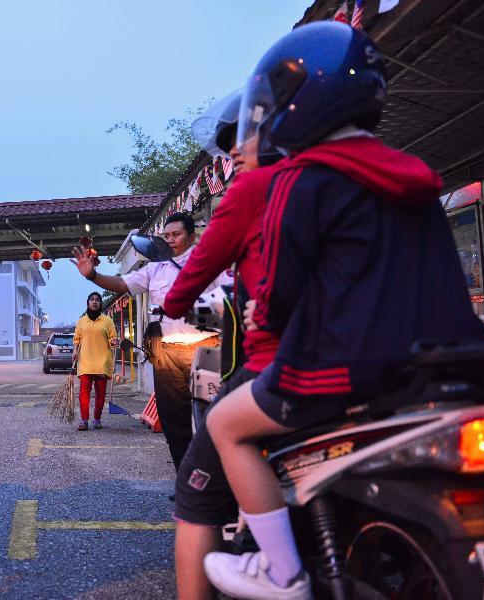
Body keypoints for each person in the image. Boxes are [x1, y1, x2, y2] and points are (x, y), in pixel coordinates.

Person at [201, 22, 484, 600]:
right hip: (449, 366)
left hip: (338, 369)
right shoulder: (416, 179)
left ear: (291, 105)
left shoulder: (301, 182)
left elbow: (279, 294)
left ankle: (281, 570)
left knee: (224, 425)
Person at [161, 92, 284, 600]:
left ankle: (281, 562)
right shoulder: (361, 181)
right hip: (195, 351)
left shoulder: (257, 191)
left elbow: (184, 298)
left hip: (264, 358)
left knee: (205, 463)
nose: (232, 153)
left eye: (243, 139)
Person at [72, 213, 219, 475]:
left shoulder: (211, 261)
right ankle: (186, 479)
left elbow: (229, 300)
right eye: (166, 236)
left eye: (176, 235)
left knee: (213, 417)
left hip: (206, 349)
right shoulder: (154, 269)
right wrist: (92, 275)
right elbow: (121, 283)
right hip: (168, 353)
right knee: (174, 420)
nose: (170, 240)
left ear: (192, 237)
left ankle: (215, 480)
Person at [72, 292, 117, 430]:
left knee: (100, 393)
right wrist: (74, 351)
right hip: (85, 361)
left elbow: (112, 338)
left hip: (102, 362)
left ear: (100, 303)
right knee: (84, 393)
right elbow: (76, 339)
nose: (94, 302)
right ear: (88, 302)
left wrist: (113, 341)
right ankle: (84, 420)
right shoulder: (81, 321)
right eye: (92, 299)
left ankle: (97, 419)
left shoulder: (107, 321)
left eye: (97, 300)